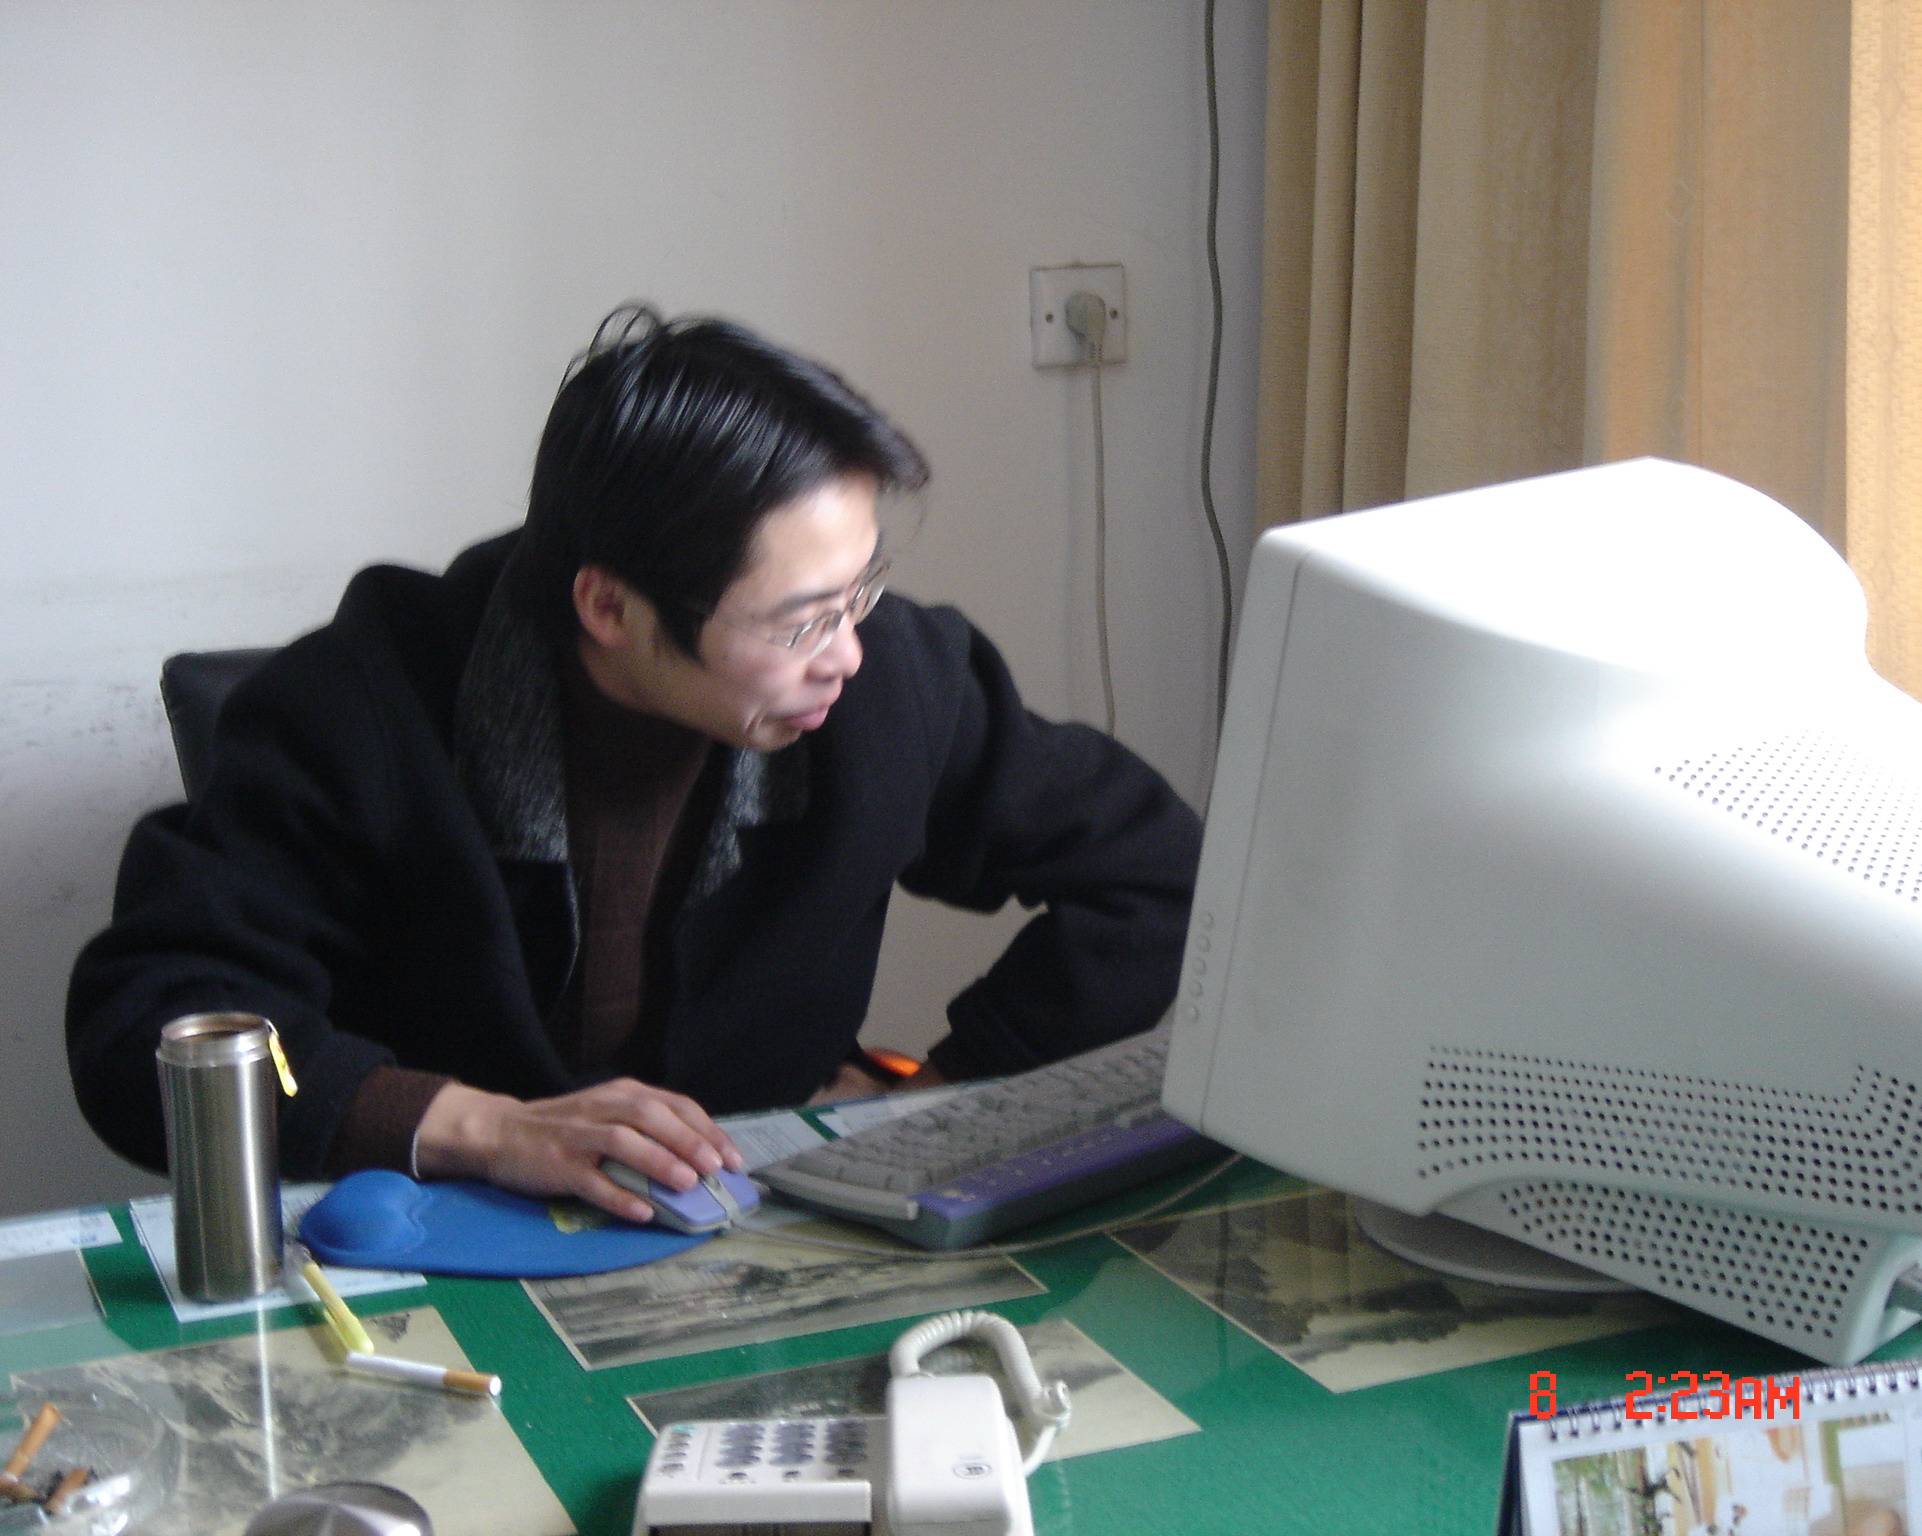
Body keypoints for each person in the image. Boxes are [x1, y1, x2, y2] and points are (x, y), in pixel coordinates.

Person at [66, 308, 1201, 1225]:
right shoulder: (360, 705)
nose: (846, 653)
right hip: (427, 1242)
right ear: (610, 607)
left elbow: (1161, 873)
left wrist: (943, 1095)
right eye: (801, 621)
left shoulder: (889, 684)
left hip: (758, 1226)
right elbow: (148, 1022)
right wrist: (480, 1127)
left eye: (860, 589)